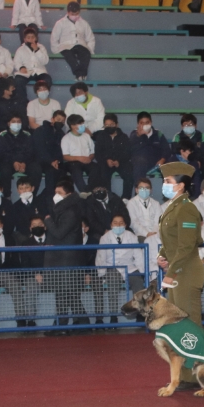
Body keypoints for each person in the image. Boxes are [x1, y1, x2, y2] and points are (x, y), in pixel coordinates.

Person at [157, 161, 204, 385]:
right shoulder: (174, 206)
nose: (164, 185)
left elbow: (187, 246)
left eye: (168, 181)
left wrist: (171, 272)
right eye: (164, 181)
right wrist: (162, 254)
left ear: (181, 185)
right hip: (177, 271)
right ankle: (185, 375)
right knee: (178, 325)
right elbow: (172, 241)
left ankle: (199, 372)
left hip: (185, 273)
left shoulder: (186, 208)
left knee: (190, 326)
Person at [44, 178, 87, 331]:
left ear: (68, 194)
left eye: (59, 193)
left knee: (67, 292)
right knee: (64, 292)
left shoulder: (70, 211)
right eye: (55, 192)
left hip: (67, 258)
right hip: (62, 257)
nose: (56, 195)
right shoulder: (63, 209)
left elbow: (59, 232)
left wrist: (48, 221)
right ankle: (72, 322)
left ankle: (74, 322)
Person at [94, 214, 145, 325]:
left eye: (121, 223)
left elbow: (138, 255)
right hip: (112, 267)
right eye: (115, 223)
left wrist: (142, 272)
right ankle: (113, 316)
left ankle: (139, 314)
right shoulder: (105, 238)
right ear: (111, 224)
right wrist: (101, 274)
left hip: (130, 267)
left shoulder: (131, 236)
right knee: (113, 285)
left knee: (139, 284)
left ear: (125, 225)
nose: (118, 225)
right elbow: (101, 257)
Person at [51, 1, 95, 81]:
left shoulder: (84, 23)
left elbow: (90, 38)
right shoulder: (60, 23)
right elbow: (54, 38)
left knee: (86, 54)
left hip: (80, 44)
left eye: (77, 14)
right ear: (68, 12)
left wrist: (90, 49)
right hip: (66, 46)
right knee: (69, 56)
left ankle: (83, 73)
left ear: (79, 12)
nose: (75, 16)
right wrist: (56, 50)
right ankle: (78, 74)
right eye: (72, 14)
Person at [126, 178, 162, 276]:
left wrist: (153, 233)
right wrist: (147, 233)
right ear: (136, 190)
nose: (144, 190)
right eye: (141, 188)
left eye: (147, 188)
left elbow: (158, 221)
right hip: (140, 235)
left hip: (155, 233)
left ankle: (158, 274)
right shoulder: (131, 203)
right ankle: (148, 274)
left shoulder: (156, 203)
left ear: (151, 190)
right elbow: (133, 222)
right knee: (147, 248)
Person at [94, 113, 133, 199]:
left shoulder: (123, 137)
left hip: (121, 163)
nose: (109, 127)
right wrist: (107, 160)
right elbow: (98, 153)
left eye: (111, 124)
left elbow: (127, 152)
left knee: (129, 175)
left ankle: (125, 199)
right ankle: (108, 198)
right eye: (106, 125)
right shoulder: (101, 137)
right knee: (103, 175)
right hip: (106, 163)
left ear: (116, 124)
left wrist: (119, 161)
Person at [32, 109, 65, 201]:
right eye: (58, 119)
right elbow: (40, 149)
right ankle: (39, 199)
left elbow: (61, 150)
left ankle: (52, 199)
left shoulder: (61, 133)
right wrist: (50, 161)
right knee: (41, 171)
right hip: (40, 161)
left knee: (59, 173)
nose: (60, 122)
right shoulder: (40, 131)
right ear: (52, 119)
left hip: (53, 163)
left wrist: (57, 160)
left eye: (63, 121)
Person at [14, 27, 52, 106]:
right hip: (26, 72)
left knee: (47, 79)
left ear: (36, 38)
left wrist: (37, 50)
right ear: (24, 39)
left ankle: (42, 99)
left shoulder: (41, 47)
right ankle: (24, 102)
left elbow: (45, 61)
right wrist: (21, 67)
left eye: (32, 37)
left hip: (39, 71)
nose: (31, 39)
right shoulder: (20, 49)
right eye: (28, 38)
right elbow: (16, 62)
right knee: (18, 80)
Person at [129, 111, 171, 181]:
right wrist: (139, 136)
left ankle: (168, 190)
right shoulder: (134, 134)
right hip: (140, 162)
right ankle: (139, 190)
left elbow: (167, 149)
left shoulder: (158, 134)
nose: (145, 125)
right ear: (138, 124)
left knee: (169, 166)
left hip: (157, 162)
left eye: (147, 122)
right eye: (142, 123)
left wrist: (162, 159)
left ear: (151, 123)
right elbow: (130, 149)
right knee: (139, 162)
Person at [61, 114, 97, 192]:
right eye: (80, 124)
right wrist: (79, 158)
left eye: (82, 123)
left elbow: (92, 151)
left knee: (96, 168)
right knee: (76, 171)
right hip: (73, 162)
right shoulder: (66, 138)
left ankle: (90, 190)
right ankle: (84, 192)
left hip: (87, 160)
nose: (82, 125)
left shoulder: (86, 136)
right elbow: (65, 156)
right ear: (73, 126)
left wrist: (90, 158)